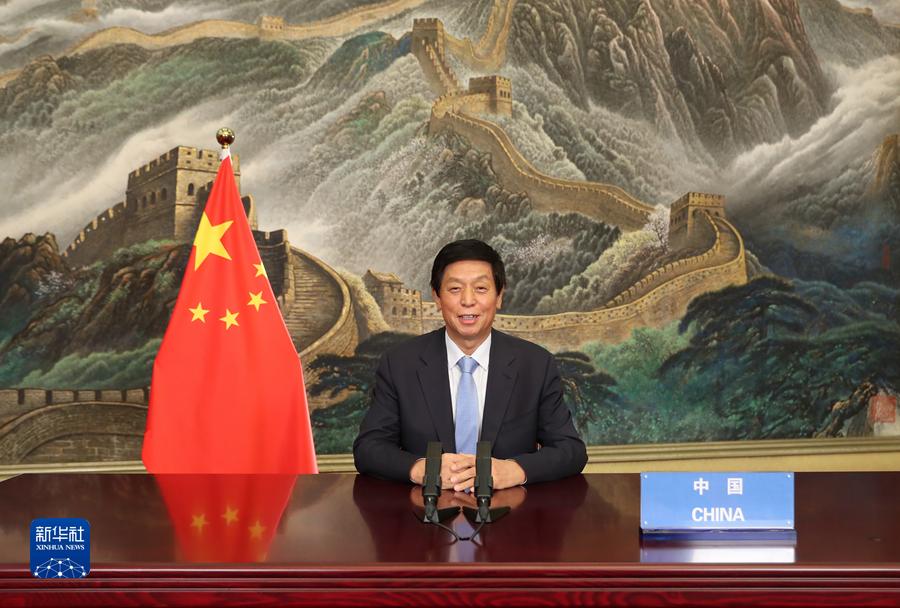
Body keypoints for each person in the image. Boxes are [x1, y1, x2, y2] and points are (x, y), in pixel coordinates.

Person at [353, 239, 588, 491]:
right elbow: (368, 447)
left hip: (508, 510)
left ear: (499, 296)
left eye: (480, 288)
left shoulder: (535, 365)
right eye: (455, 288)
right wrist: (424, 469)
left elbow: (570, 449)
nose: (468, 300)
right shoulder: (400, 363)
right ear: (437, 297)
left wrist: (514, 470)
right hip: (427, 510)